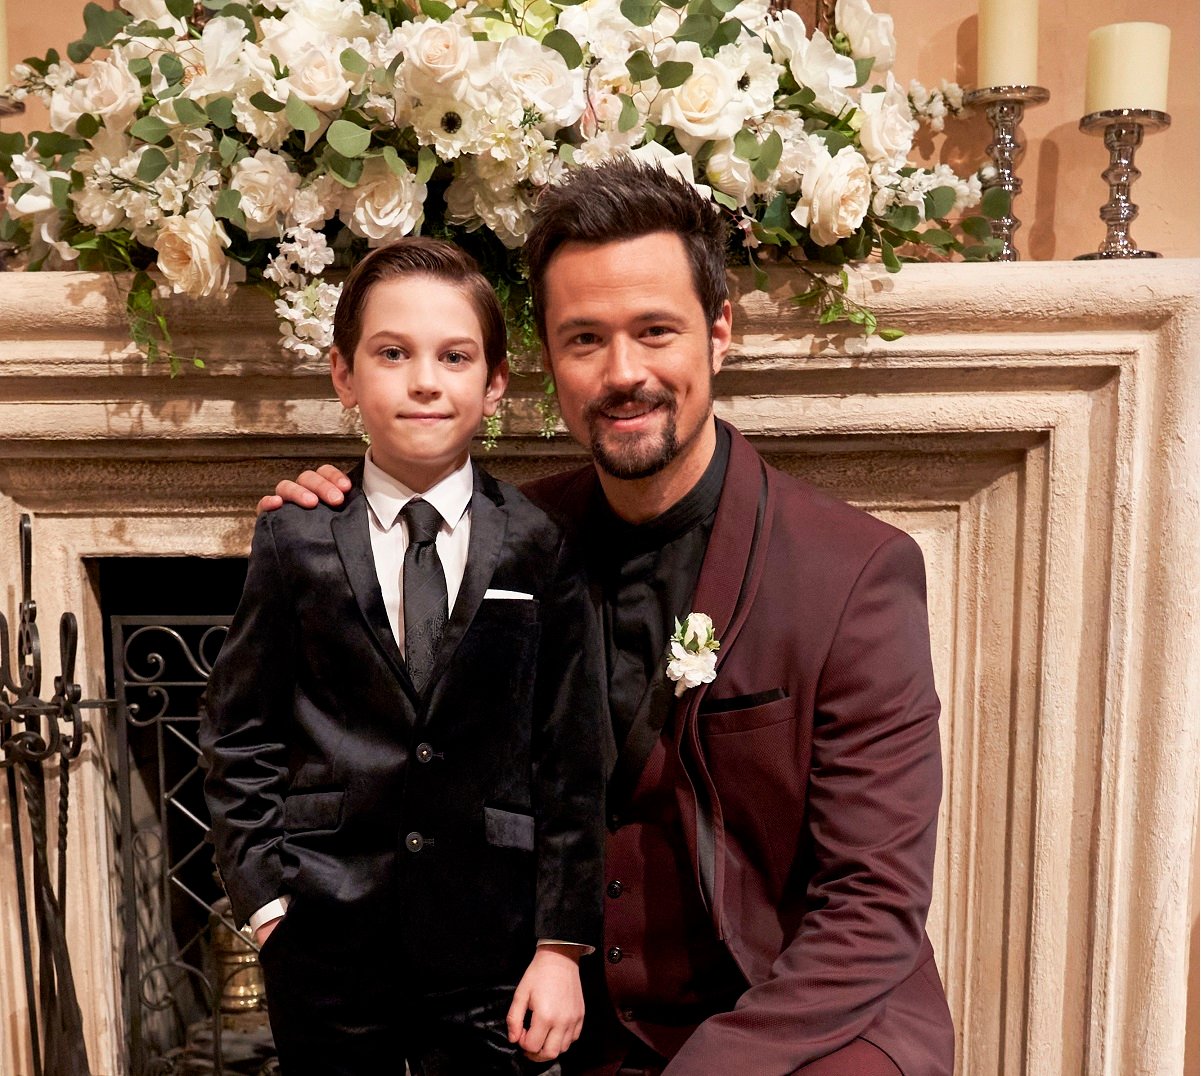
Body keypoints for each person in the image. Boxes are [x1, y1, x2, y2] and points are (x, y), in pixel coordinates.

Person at [262, 158, 956, 1075]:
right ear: (544, 364)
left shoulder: (855, 573)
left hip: (794, 1025)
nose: (624, 373)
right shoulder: (498, 538)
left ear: (718, 336)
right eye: (584, 339)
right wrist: (329, 536)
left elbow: (871, 906)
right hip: (554, 1025)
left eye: (656, 332)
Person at [201, 237, 606, 1076]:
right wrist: (266, 902)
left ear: (494, 381)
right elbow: (237, 729)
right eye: (392, 354)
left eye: (454, 356)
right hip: (325, 939)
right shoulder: (294, 538)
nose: (425, 380)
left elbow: (569, 759)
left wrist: (561, 946)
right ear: (344, 374)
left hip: (493, 946)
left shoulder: (539, 545)